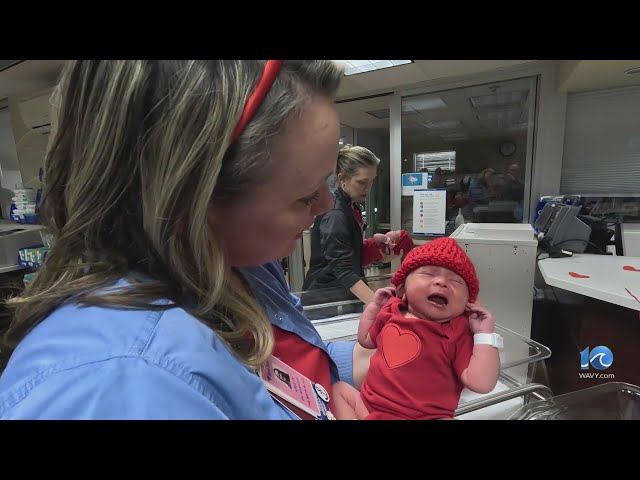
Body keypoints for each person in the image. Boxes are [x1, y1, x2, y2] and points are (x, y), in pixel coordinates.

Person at [0, 60, 370, 420]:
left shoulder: (239, 259)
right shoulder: (122, 385)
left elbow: (283, 359)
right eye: (304, 196)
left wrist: (333, 380)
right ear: (191, 201)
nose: (325, 205)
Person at [331, 237, 502, 420]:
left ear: (467, 303)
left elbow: (481, 383)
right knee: (338, 390)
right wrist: (374, 307)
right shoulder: (392, 310)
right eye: (428, 273)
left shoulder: (458, 331)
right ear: (403, 287)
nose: (442, 282)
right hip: (369, 408)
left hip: (426, 416)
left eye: (456, 281)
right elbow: (365, 339)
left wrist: (484, 335)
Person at [302, 145, 413, 308]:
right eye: (362, 182)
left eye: (371, 181)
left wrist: (373, 246)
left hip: (342, 295)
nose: (368, 189)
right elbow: (343, 269)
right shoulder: (335, 214)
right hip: (326, 301)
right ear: (342, 179)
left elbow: (346, 253)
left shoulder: (351, 207)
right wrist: (380, 307)